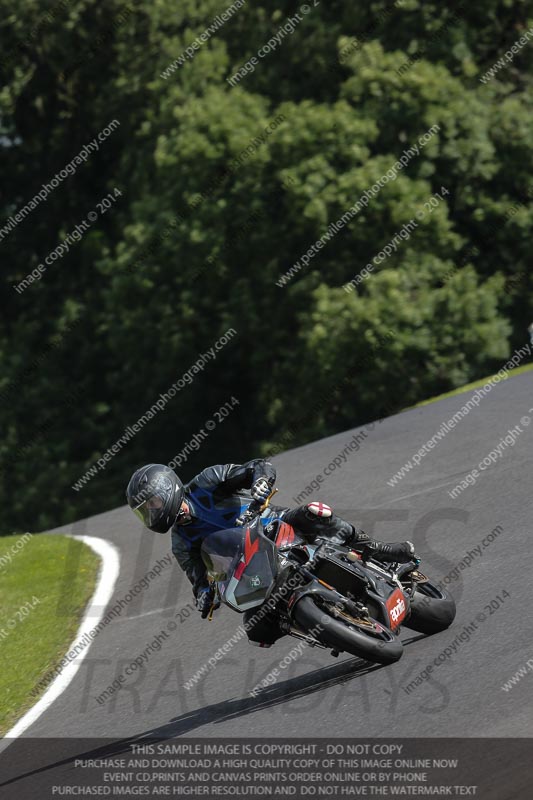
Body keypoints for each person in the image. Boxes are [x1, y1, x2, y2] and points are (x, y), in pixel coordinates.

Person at [126, 460, 415, 645]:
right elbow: (198, 578)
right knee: (255, 630)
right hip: (251, 566)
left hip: (275, 527)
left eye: (151, 504)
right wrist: (204, 596)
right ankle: (317, 628)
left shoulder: (206, 482)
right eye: (144, 512)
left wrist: (260, 484)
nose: (151, 513)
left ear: (168, 489)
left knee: (314, 512)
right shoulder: (180, 541)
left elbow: (256, 467)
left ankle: (378, 550)